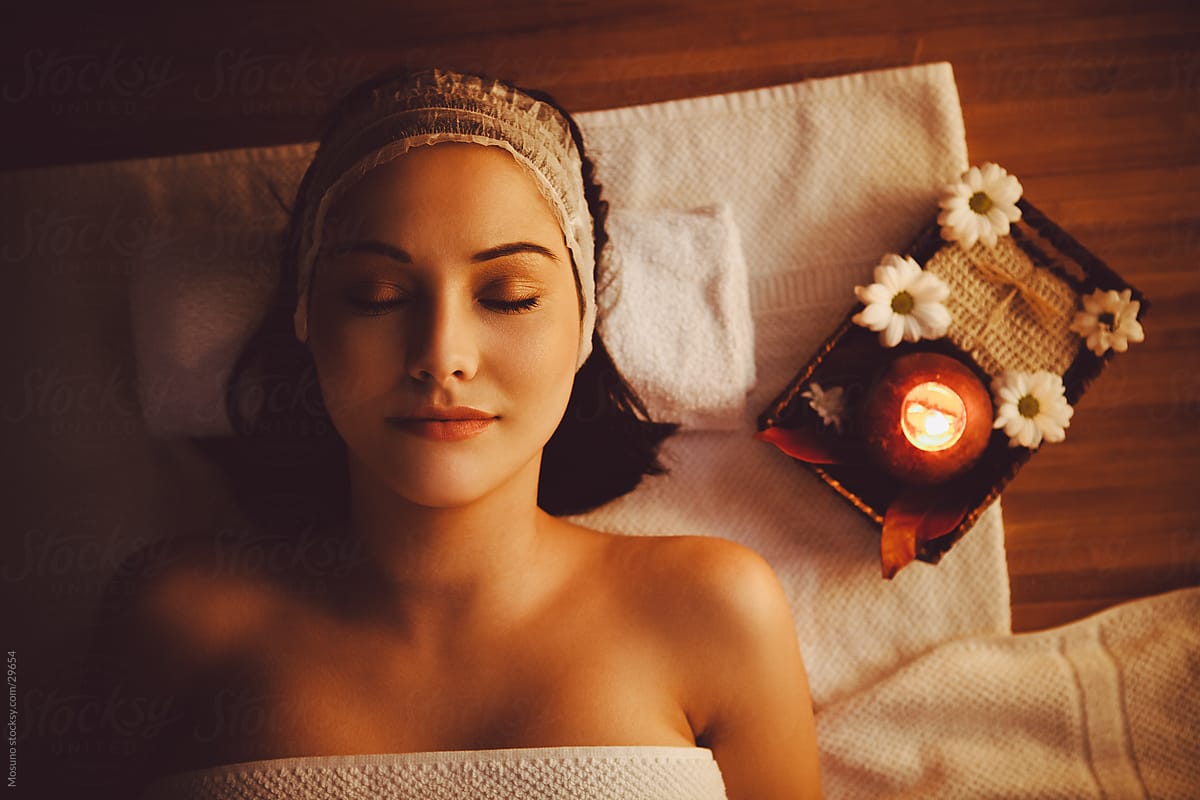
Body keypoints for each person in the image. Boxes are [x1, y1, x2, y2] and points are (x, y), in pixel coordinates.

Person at [90, 67, 822, 799]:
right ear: (307, 320)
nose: (441, 355)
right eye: (377, 295)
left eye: (510, 297)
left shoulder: (715, 610)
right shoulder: (177, 618)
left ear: (584, 329)